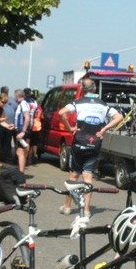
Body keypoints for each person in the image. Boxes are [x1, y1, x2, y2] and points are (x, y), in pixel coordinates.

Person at [58, 77, 123, 218]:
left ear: (82, 89)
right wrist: (104, 129)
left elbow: (61, 113)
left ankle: (67, 207)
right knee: (88, 177)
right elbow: (119, 117)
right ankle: (86, 210)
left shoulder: (77, 102)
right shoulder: (103, 105)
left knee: (73, 175)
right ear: (94, 89)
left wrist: (69, 128)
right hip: (94, 144)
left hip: (79, 142)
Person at [0, 86, 17, 162]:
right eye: (4, 92)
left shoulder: (12, 99)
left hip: (9, 124)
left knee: (7, 142)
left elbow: (16, 109)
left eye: (7, 92)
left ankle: (4, 157)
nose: (6, 93)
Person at [13, 89, 31, 173]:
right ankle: (20, 171)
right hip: (19, 129)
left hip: (21, 130)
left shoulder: (23, 104)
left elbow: (27, 117)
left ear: (17, 96)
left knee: (20, 152)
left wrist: (23, 131)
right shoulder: (21, 104)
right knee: (19, 151)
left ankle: (21, 172)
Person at [25, 88, 42, 165]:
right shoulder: (37, 105)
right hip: (37, 126)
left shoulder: (26, 102)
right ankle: (35, 155)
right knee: (35, 142)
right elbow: (40, 115)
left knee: (28, 142)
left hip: (29, 124)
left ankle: (27, 159)